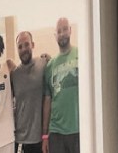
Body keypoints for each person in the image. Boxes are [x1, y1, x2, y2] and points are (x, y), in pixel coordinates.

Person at [42, 18, 80, 153]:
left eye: (65, 29)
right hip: (56, 132)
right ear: (55, 35)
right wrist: (45, 135)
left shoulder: (81, 55)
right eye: (59, 31)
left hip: (78, 128)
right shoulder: (50, 65)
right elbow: (47, 101)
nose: (62, 33)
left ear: (70, 30)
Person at [11, 32, 50, 153]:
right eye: (20, 46)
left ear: (32, 45)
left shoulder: (44, 64)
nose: (23, 49)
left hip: (40, 139)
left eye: (26, 44)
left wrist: (45, 135)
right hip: (21, 140)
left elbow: (49, 97)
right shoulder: (14, 75)